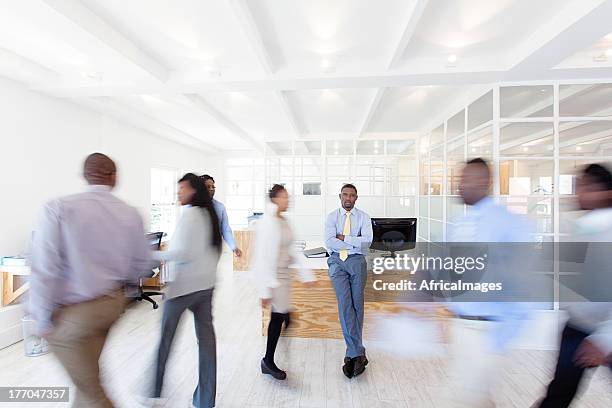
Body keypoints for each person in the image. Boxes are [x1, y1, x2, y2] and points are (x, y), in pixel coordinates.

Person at [29, 153, 152, 407]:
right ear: (114, 177)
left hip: (74, 318)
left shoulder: (59, 207)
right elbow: (142, 265)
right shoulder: (130, 213)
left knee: (91, 391)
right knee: (86, 383)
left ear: (85, 176)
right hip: (111, 306)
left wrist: (40, 318)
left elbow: (45, 268)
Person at [444, 157, 533, 407]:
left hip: (487, 332)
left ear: (485, 182)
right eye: (458, 179)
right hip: (463, 327)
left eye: (465, 179)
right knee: (478, 399)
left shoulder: (509, 223)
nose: (458, 185)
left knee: (461, 400)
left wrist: (500, 339)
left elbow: (525, 284)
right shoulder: (462, 223)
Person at [535, 164, 612, 407]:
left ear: (607, 193)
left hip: (605, 330)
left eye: (586, 187)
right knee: (559, 393)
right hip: (578, 325)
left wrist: (605, 339)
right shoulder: (587, 228)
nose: (578, 194)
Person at [152, 173, 222, 408]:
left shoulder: (190, 215)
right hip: (205, 287)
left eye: (181, 189)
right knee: (207, 346)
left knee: (165, 342)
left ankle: (153, 393)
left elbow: (179, 253)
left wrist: (148, 254)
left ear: (192, 190)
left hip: (183, 289)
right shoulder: (209, 214)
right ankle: (205, 401)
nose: (178, 193)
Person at [251, 184, 315, 380]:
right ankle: (267, 361)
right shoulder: (267, 223)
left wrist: (307, 275)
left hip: (285, 276)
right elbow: (261, 257)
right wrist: (264, 291)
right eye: (284, 197)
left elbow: (292, 250)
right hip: (274, 277)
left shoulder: (284, 221)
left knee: (284, 315)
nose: (288, 200)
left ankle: (285, 323)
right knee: (278, 317)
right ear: (275, 199)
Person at [324, 183, 373, 378]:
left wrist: (343, 236)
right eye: (345, 194)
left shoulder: (364, 217)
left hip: (357, 261)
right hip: (337, 261)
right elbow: (329, 242)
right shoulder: (331, 217)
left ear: (356, 198)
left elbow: (367, 242)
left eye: (352, 195)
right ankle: (356, 352)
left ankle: (352, 353)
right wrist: (355, 240)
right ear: (340, 196)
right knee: (345, 305)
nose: (348, 198)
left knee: (357, 306)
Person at [200, 174, 242, 257]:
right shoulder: (192, 208)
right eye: (208, 187)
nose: (211, 189)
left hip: (214, 252)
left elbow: (225, 229)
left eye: (213, 187)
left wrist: (234, 247)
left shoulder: (220, 207)